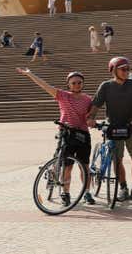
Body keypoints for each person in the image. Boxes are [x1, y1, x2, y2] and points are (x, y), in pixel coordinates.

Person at [18, 67, 95, 205]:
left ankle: (87, 192)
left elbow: (91, 115)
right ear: (68, 84)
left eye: (79, 82)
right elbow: (45, 86)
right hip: (67, 133)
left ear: (83, 84)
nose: (77, 85)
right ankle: (66, 193)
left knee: (85, 166)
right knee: (68, 166)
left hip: (83, 134)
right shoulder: (62, 95)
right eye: (73, 83)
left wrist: (91, 120)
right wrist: (30, 74)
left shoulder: (88, 99)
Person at [87, 56, 132, 202]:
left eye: (128, 69)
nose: (126, 71)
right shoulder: (106, 86)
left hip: (131, 128)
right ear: (113, 70)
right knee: (117, 160)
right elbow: (96, 104)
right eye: (123, 69)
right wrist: (91, 117)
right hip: (113, 127)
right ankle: (123, 187)